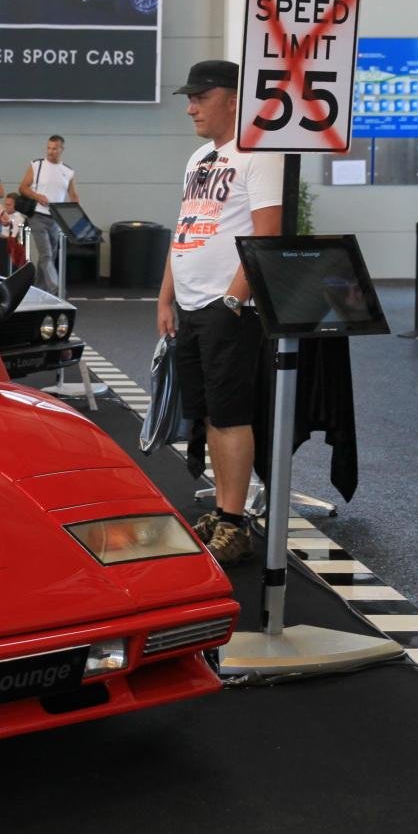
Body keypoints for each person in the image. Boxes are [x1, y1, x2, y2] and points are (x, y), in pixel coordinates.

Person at [155, 61, 283, 565]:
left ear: (233, 99)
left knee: (230, 416)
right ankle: (225, 509)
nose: (191, 108)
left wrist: (233, 299)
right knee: (209, 413)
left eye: (200, 98)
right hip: (192, 304)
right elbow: (185, 226)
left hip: (228, 307)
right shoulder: (199, 158)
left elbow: (266, 235)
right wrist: (165, 296)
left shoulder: (259, 155)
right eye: (189, 98)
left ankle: (234, 521)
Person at [18, 135, 78, 294]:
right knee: (46, 254)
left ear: (61, 149)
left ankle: (39, 290)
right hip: (37, 215)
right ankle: (57, 290)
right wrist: (37, 196)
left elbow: (73, 196)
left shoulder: (68, 171)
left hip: (56, 219)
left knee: (50, 256)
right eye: (49, 148)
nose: (50, 151)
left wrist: (75, 217)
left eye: (54, 148)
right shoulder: (36, 165)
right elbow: (23, 188)